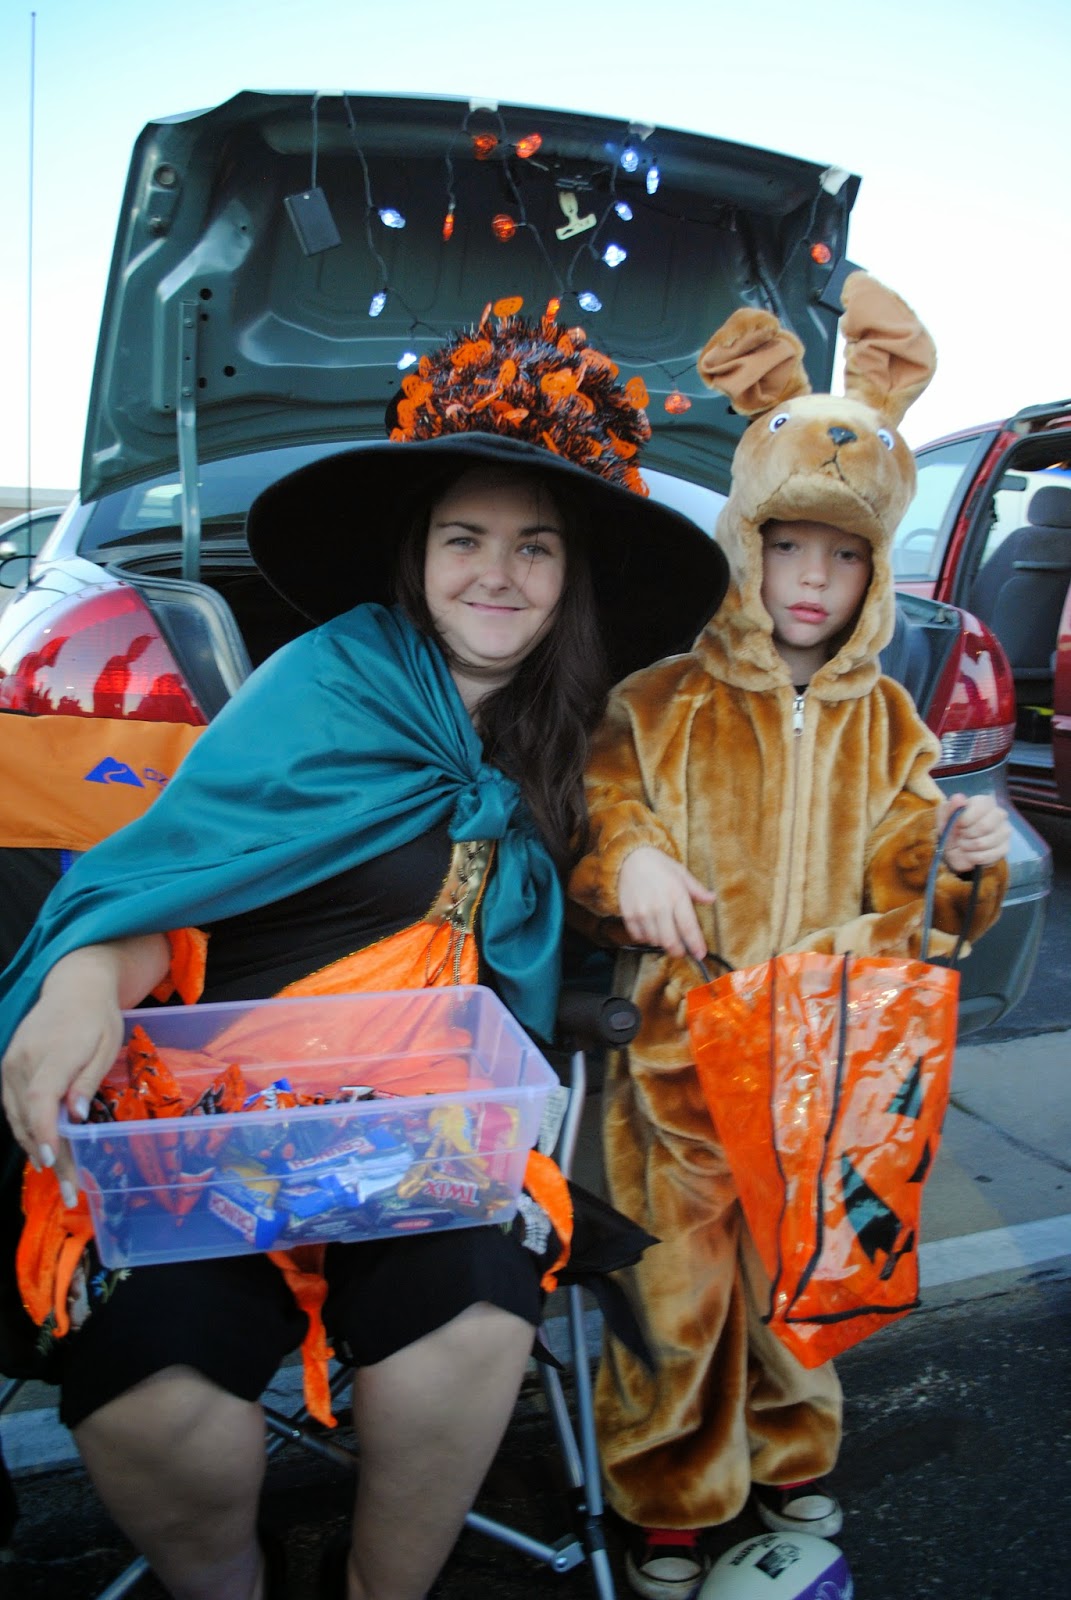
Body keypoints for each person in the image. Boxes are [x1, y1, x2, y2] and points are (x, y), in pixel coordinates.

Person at [0, 300, 729, 1600]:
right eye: (464, 539)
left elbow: (649, 826)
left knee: (473, 1322)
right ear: (417, 555)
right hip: (222, 1125)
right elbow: (167, 879)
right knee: (156, 1388)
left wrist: (632, 856)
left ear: (570, 577)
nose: (498, 573)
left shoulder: (578, 736)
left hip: (430, 1140)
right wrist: (82, 980)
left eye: (535, 546)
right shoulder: (323, 684)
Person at [566, 273, 1012, 1600]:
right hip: (678, 1065)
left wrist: (956, 863)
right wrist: (631, 861)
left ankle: (789, 1464)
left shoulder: (893, 724)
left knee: (802, 1282)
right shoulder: (658, 700)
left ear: (876, 570)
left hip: (828, 1061)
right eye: (788, 547)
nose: (813, 579)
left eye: (845, 555)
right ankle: (671, 1496)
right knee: (677, 1290)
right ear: (744, 544)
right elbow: (598, 816)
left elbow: (913, 871)